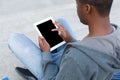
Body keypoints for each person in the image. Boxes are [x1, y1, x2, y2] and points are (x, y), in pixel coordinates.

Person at [8, 0, 120, 80]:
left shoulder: (76, 58)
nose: (76, 8)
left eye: (77, 4)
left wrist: (46, 54)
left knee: (14, 39)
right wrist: (70, 40)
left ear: (87, 8)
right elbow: (93, 52)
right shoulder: (116, 32)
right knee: (60, 21)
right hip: (82, 66)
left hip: (66, 69)